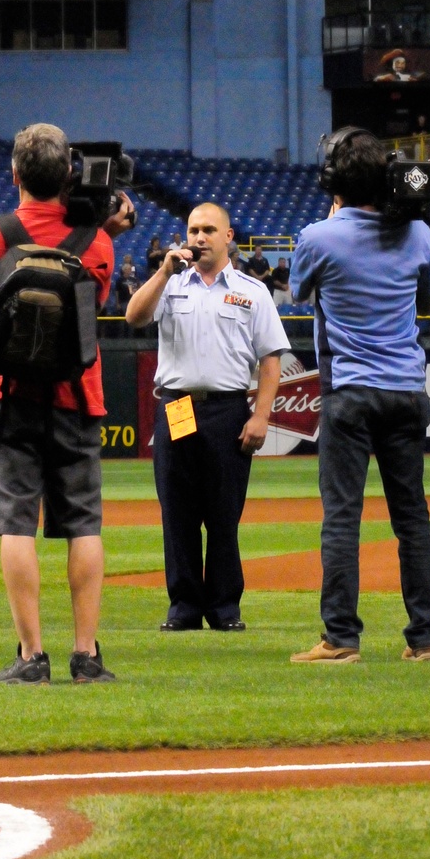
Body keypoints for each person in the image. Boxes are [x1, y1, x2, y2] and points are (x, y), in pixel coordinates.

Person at [0, 121, 134, 685]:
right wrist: (93, 221)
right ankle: (85, 655)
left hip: (6, 395)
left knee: (16, 523)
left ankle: (32, 655)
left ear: (14, 174)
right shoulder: (100, 242)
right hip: (76, 396)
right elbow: (98, 300)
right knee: (84, 524)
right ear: (68, 174)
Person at [288, 128, 430, 663]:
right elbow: (429, 298)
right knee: (412, 517)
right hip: (405, 387)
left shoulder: (317, 237)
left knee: (342, 517)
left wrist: (334, 223)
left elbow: (300, 291)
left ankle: (341, 638)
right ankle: (424, 640)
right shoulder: (419, 232)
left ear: (334, 183)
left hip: (349, 389)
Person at [126, 202, 287, 632]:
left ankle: (224, 607)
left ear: (228, 237)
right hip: (178, 404)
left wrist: (261, 416)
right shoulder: (171, 284)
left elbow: (271, 360)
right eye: (193, 230)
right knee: (177, 508)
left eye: (209, 230)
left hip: (227, 407)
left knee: (223, 511)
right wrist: (162, 273)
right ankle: (183, 607)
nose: (199, 238)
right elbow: (133, 317)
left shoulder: (252, 291)